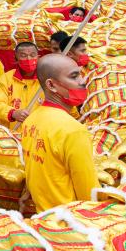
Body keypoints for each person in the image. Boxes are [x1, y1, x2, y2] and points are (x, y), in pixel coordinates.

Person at [20, 54, 100, 211]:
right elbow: (89, 194)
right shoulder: (73, 130)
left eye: (81, 75)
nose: (82, 81)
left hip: (44, 215)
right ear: (51, 85)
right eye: (74, 76)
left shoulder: (30, 120)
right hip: (70, 217)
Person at [0, 41, 42, 128]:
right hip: (11, 130)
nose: (28, 59)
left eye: (32, 55)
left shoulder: (45, 79)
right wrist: (13, 113)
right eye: (23, 56)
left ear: (38, 57)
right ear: (16, 59)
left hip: (36, 130)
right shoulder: (6, 78)